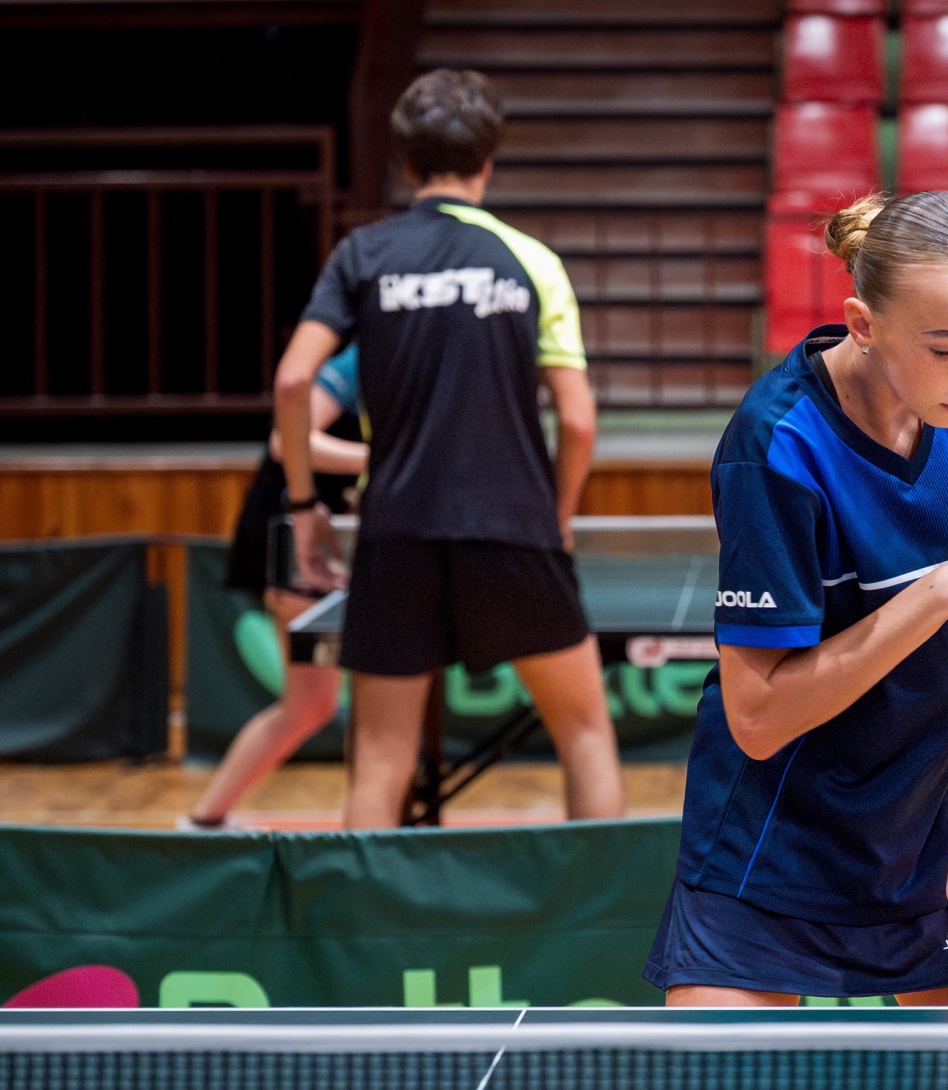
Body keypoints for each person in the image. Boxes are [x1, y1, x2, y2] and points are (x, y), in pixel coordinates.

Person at [646, 191, 948, 1009]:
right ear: (862, 324)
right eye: (946, 349)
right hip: (771, 860)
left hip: (928, 846)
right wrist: (935, 595)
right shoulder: (780, 445)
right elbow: (757, 718)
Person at [272, 68, 622, 829]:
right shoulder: (531, 260)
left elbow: (294, 380)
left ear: (405, 161)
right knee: (585, 734)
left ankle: (367, 909)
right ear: (488, 161)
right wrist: (558, 516)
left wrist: (303, 507)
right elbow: (578, 421)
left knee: (381, 758)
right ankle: (604, 908)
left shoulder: (363, 254)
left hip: (396, 531)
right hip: (514, 527)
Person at [181, 345, 368, 831]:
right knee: (360, 699)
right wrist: (384, 459)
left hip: (327, 541)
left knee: (311, 706)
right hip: (291, 538)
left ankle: (205, 820)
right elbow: (289, 441)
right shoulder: (356, 362)